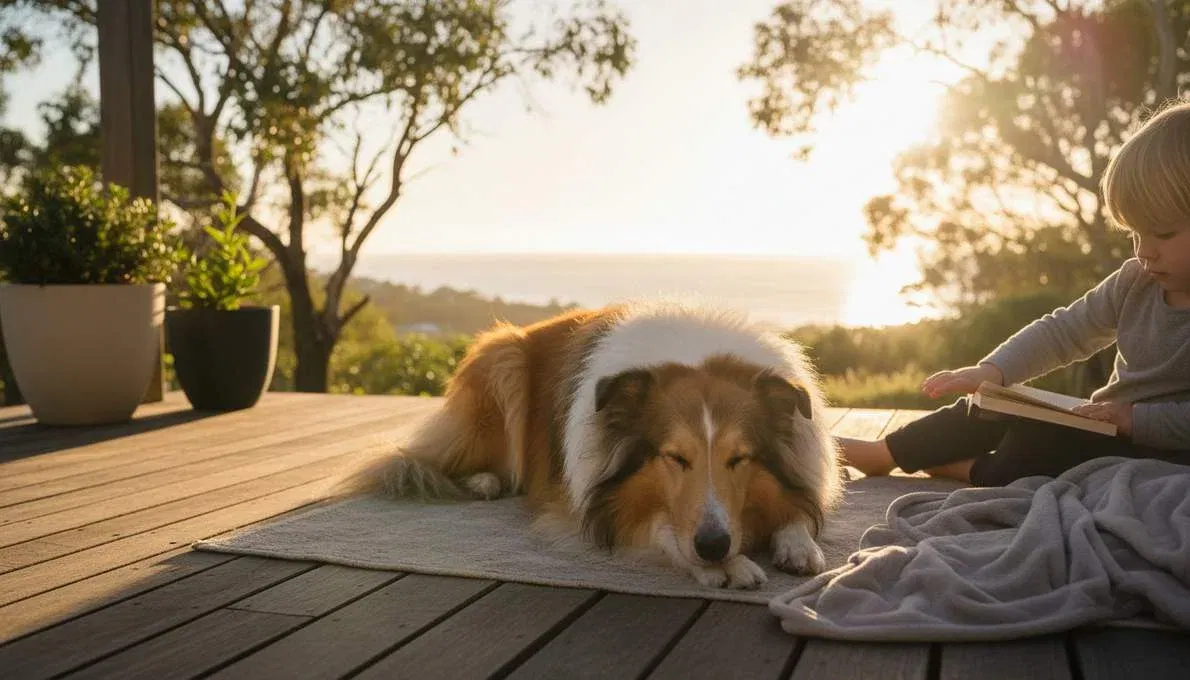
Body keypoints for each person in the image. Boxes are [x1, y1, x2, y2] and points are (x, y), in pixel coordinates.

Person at [841, 99, 1190, 485]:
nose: (1143, 251)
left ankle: (965, 468)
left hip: (1158, 453)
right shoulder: (1134, 281)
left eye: (1162, 233)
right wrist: (993, 371)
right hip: (1106, 427)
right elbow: (1063, 332)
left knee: (1038, 446)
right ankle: (883, 453)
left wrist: (1134, 419)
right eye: (1134, 234)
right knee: (993, 404)